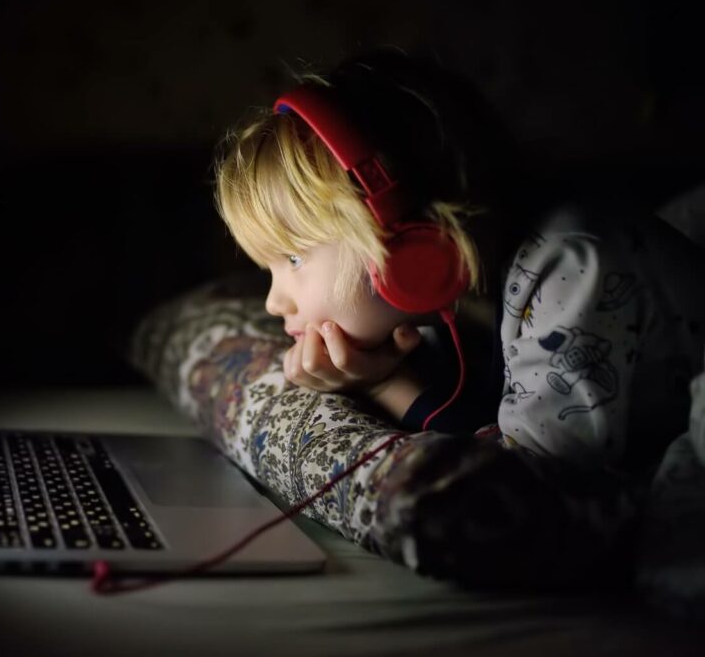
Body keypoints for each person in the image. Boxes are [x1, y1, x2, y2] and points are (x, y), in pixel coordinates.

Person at [212, 46, 705, 495]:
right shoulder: (436, 303)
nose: (274, 302)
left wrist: (385, 385)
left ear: (414, 249)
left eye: (294, 259)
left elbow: (531, 483)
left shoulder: (571, 267)